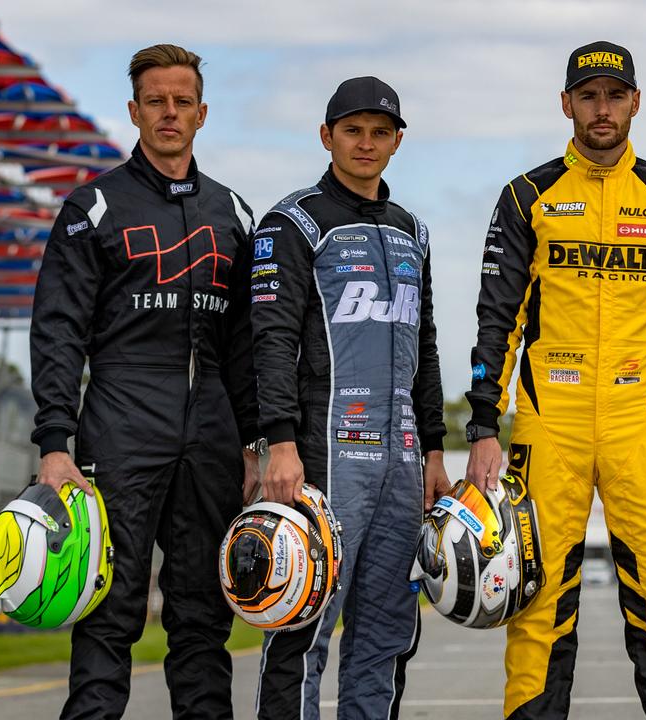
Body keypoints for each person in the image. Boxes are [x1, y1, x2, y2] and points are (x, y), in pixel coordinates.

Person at [464, 41, 646, 719]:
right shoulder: (528, 195)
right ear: (566, 104)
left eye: (614, 95)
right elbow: (498, 320)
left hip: (643, 426)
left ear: (636, 101)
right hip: (551, 425)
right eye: (588, 95)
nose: (601, 109)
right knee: (537, 598)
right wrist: (484, 426)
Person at [29, 44, 261, 719]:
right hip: (119, 428)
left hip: (211, 433)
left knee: (202, 618)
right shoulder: (91, 209)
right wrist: (54, 440)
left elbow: (249, 346)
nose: (168, 112)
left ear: (202, 113)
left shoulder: (235, 215)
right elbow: (58, 332)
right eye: (155, 101)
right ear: (133, 110)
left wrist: (257, 442)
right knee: (108, 609)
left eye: (181, 101)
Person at [248, 75, 448, 720]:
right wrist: (278, 441)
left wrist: (436, 449)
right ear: (326, 135)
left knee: (387, 633)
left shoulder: (411, 229)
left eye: (380, 132)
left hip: (403, 458)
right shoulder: (293, 222)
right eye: (353, 130)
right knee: (303, 625)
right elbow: (271, 341)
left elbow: (427, 347)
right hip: (321, 453)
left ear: (397, 141)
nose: (366, 143)